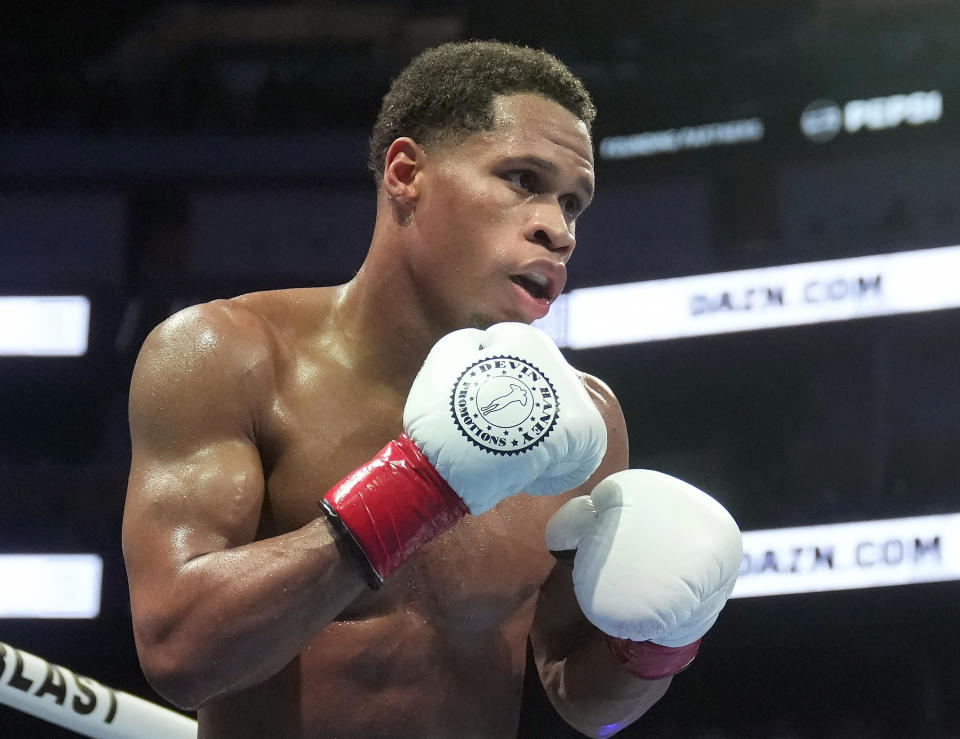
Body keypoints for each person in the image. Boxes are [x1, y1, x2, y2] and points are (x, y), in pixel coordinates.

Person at [122, 40, 742, 739]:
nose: (559, 229)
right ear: (407, 172)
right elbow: (178, 651)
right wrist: (416, 489)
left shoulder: (582, 420)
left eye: (574, 203)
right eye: (522, 179)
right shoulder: (231, 354)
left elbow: (579, 693)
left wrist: (659, 644)